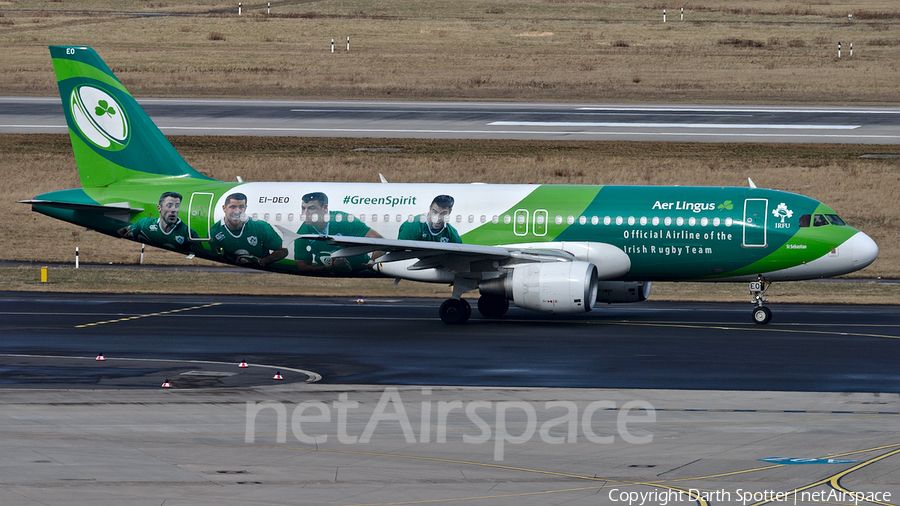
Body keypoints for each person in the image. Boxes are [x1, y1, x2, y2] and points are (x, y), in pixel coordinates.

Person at [294, 192, 383, 274]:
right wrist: (329, 267)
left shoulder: (344, 220)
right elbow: (302, 267)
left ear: (324, 208)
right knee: (320, 257)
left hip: (362, 269)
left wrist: (372, 264)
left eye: (311, 208)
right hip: (330, 274)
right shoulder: (303, 233)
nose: (305, 213)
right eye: (303, 208)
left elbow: (379, 241)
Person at [209, 192, 287, 267]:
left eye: (241, 207)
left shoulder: (261, 227)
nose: (237, 211)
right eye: (232, 207)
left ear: (245, 208)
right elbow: (217, 257)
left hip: (262, 272)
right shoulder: (215, 232)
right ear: (224, 208)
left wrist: (263, 261)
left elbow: (283, 251)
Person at [118, 191, 198, 253]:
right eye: (169, 206)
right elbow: (127, 230)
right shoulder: (146, 224)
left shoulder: (188, 233)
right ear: (159, 208)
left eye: (177, 206)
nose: (174, 210)